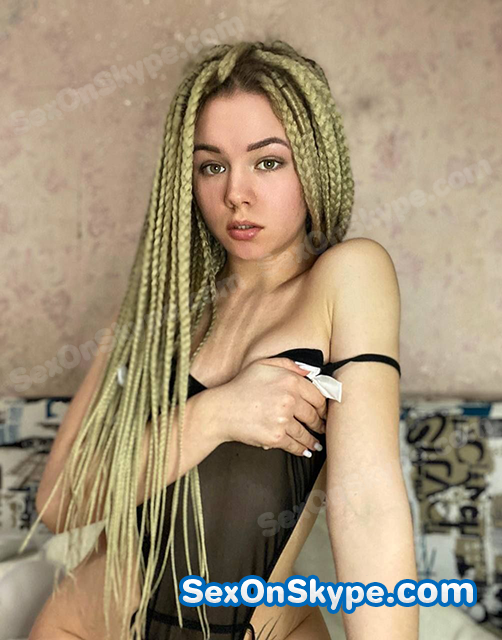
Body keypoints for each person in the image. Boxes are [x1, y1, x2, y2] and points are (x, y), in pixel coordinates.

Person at [25, 39, 418, 640]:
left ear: (314, 163)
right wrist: (215, 414)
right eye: (212, 166)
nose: (236, 192)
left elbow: (368, 509)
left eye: (268, 162)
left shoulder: (348, 277)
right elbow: (59, 505)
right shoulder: (156, 310)